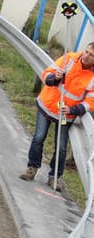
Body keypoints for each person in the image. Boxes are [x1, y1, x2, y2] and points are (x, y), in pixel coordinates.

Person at [24, 43, 94, 186]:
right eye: (86, 51)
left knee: (61, 147)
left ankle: (54, 176)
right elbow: (46, 75)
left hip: (64, 114)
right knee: (38, 137)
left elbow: (90, 101)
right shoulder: (69, 59)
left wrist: (73, 110)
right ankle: (32, 167)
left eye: (91, 55)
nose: (86, 56)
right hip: (47, 105)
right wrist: (55, 78)